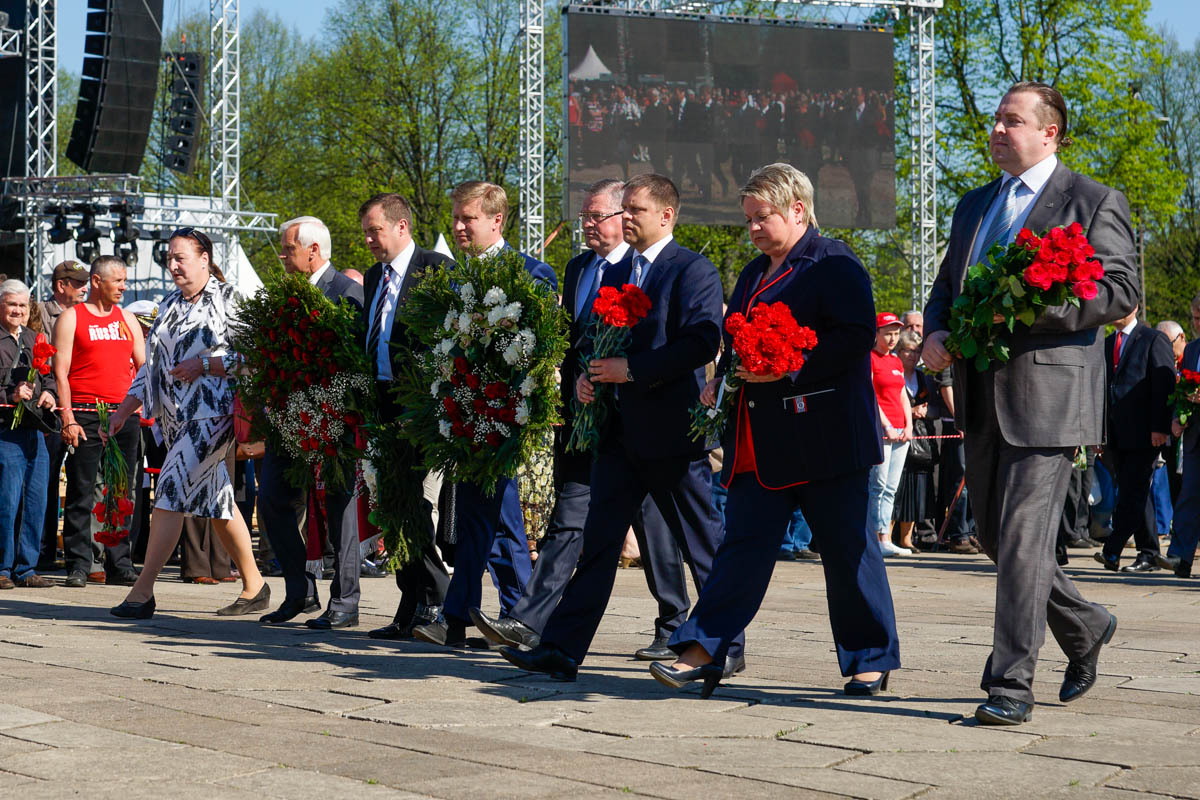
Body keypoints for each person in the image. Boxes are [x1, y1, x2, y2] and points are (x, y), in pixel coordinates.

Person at [922, 82, 1138, 725]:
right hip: (980, 392)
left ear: (1050, 133)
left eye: (1012, 120)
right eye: (995, 119)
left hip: (1048, 395)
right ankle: (1087, 624)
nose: (997, 128)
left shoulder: (1092, 200)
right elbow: (945, 286)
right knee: (993, 533)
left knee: (1019, 542)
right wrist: (936, 331)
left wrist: (1029, 305)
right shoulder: (972, 207)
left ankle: (1010, 683)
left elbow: (1120, 290)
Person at [645, 163, 898, 698]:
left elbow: (854, 339)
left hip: (825, 438)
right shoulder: (753, 273)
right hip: (759, 441)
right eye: (750, 219)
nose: (754, 228)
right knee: (742, 547)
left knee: (849, 551)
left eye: (763, 217)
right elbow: (737, 338)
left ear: (799, 210)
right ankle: (705, 647)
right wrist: (724, 380)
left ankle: (870, 659)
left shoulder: (835, 263)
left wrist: (791, 366)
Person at [497, 173, 738, 684]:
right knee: (599, 544)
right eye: (623, 208)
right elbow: (599, 339)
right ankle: (561, 649)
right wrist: (589, 377)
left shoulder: (691, 270)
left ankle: (725, 643)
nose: (626, 217)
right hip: (616, 434)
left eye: (637, 209)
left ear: (667, 215)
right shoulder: (615, 271)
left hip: (672, 434)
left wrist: (633, 370)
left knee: (702, 544)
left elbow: (701, 341)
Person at [469, 178, 692, 660]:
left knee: (654, 526)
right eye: (585, 217)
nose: (589, 226)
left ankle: (676, 621)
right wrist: (571, 386)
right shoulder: (577, 269)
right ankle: (528, 622)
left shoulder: (640, 270)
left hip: (636, 422)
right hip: (583, 418)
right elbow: (569, 343)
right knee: (568, 520)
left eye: (599, 216)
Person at [412, 180, 557, 647]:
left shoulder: (532, 273)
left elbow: (539, 348)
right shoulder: (454, 278)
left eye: (467, 218)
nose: (457, 227)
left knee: (498, 515)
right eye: (454, 218)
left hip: (508, 415)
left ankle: (511, 618)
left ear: (496, 220)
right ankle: (483, 617)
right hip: (465, 413)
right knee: (481, 516)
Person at [103, 228, 269, 619]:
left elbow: (255, 356)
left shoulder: (229, 299)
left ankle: (142, 592)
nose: (173, 265)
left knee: (170, 488)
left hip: (213, 416)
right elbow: (153, 366)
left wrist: (208, 364)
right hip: (175, 418)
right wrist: (125, 409)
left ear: (204, 259)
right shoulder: (170, 303)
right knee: (218, 500)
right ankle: (255, 585)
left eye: (180, 257)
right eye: (169, 258)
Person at [255, 216, 365, 627]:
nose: (282, 256)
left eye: (288, 249)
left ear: (313, 250)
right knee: (272, 499)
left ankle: (345, 601)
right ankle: (300, 592)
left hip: (334, 419)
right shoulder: (286, 294)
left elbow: (357, 362)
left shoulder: (347, 293)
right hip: (288, 418)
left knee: (339, 509)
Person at [359, 193, 455, 642]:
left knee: (417, 507)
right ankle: (410, 604)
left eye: (375, 230)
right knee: (393, 509)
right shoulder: (374, 276)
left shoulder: (437, 270)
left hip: (421, 407)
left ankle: (436, 598)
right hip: (381, 402)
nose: (369, 240)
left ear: (401, 227)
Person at [52, 256, 145, 588]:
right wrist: (68, 417)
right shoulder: (71, 317)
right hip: (85, 413)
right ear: (95, 281)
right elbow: (59, 372)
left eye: (124, 281)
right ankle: (79, 563)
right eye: (117, 281)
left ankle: (119, 562)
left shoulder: (128, 319)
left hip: (124, 416)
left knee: (120, 491)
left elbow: (143, 367)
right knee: (81, 491)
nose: (123, 287)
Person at [1094, 306, 1174, 573]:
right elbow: (1103, 389)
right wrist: (1099, 433)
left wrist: (1160, 427)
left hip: (1144, 434)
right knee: (1137, 493)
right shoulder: (1107, 343)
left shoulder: (1152, 338)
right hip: (1116, 435)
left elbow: (1163, 384)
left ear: (1135, 306)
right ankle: (1149, 552)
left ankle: (1112, 550)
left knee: (1132, 492)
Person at [0, 279, 57, 589]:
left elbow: (48, 378)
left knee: (36, 499)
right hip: (4, 430)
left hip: (33, 430)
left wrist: (50, 394)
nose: (18, 311)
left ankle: (27, 568)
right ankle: (3, 568)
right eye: (12, 305)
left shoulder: (35, 339)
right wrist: (10, 394)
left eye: (22, 305)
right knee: (6, 501)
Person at [37, 260, 90, 571]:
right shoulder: (39, 313)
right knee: (44, 481)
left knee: (81, 484)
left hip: (81, 406)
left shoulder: (84, 316)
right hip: (50, 411)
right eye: (78, 282)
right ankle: (42, 549)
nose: (84, 288)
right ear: (60, 286)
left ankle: (75, 554)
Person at [1158, 293, 1200, 579]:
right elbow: (1181, 390)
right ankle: (1179, 557)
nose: (1198, 323)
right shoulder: (1193, 350)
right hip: (1195, 434)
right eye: (1196, 318)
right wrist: (1176, 416)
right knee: (1189, 495)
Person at [869, 312, 912, 556]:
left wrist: (908, 425)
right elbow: (871, 395)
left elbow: (902, 395)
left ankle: (885, 536)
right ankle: (877, 537)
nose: (893, 338)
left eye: (896, 333)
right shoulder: (870, 359)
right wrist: (885, 424)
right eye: (888, 333)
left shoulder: (896, 361)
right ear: (876, 334)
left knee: (892, 487)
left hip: (901, 431)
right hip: (882, 431)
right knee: (879, 485)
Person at [892, 328, 937, 552]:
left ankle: (907, 539)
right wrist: (911, 410)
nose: (913, 355)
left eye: (917, 351)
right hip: (896, 433)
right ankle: (887, 535)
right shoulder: (892, 372)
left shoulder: (922, 377)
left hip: (919, 439)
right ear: (899, 351)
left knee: (915, 488)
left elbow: (933, 405)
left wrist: (924, 410)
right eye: (909, 351)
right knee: (895, 487)